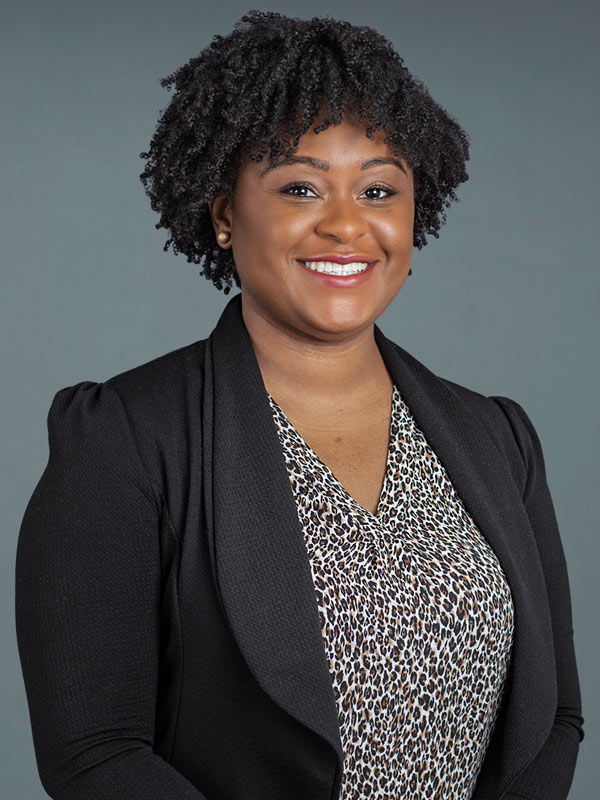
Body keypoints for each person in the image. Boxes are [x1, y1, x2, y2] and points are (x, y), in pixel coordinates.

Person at [15, 10, 584, 800]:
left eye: (378, 189)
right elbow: (95, 752)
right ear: (224, 215)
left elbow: (554, 718)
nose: (347, 224)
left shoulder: (497, 437)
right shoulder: (124, 440)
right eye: (300, 187)